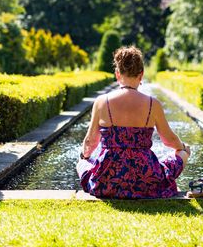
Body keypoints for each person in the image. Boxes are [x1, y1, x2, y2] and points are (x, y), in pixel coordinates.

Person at [76, 46, 190, 198]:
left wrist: (84, 157)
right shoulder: (153, 104)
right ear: (141, 74)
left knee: (81, 162)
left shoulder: (101, 102)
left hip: (107, 180)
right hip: (146, 180)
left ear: (117, 74)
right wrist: (183, 149)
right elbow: (169, 140)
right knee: (182, 153)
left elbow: (90, 142)